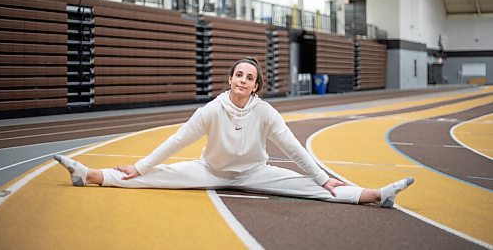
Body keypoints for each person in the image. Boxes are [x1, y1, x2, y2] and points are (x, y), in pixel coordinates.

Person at [54, 57, 414, 207]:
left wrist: (322, 178)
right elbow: (178, 140)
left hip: (257, 171)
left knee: (313, 186)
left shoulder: (266, 112)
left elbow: (292, 148)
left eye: (250, 77)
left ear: (256, 86)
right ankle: (90, 174)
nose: (243, 80)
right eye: (238, 75)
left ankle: (376, 195)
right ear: (230, 79)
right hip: (210, 169)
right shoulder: (211, 109)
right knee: (154, 176)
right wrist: (142, 166)